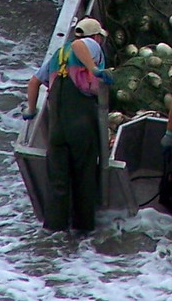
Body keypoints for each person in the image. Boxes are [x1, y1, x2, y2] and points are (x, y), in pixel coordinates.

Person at [23, 17, 113, 233]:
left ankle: (54, 232)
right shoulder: (89, 45)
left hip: (57, 128)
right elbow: (79, 45)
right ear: (97, 36)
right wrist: (94, 69)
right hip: (81, 124)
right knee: (85, 176)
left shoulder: (58, 55)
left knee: (58, 182)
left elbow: (34, 81)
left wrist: (32, 109)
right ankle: (84, 230)